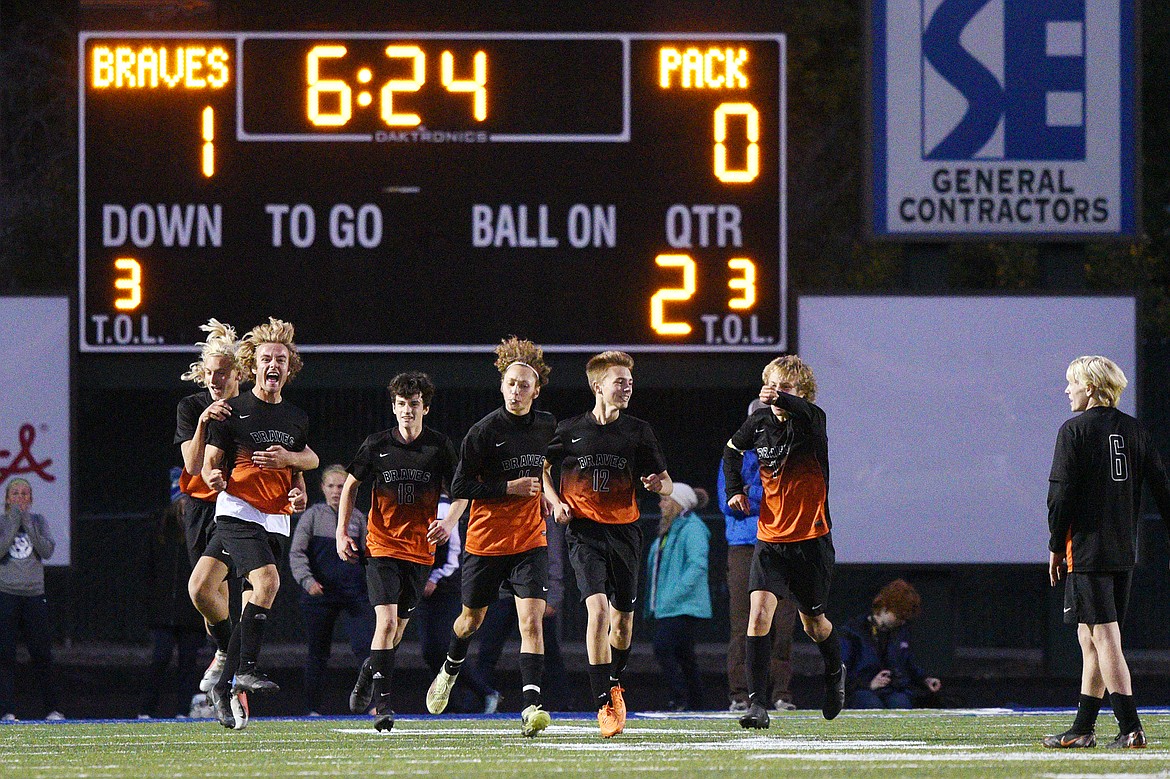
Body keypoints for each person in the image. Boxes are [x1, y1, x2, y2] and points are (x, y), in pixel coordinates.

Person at [426, 338, 557, 738]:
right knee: (469, 622)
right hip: (485, 542)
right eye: (511, 384)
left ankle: (531, 704)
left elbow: (545, 466)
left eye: (524, 385)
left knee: (530, 621)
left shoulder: (548, 426)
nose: (517, 391)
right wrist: (503, 491)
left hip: (530, 540)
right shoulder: (483, 432)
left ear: (536, 390)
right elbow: (463, 483)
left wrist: (550, 495)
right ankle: (450, 667)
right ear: (502, 386)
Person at [1043, 356, 1170, 750]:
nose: (1068, 390)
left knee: (1104, 636)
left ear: (1092, 388)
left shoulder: (1074, 430)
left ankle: (1130, 726)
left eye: (1073, 383)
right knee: (1090, 636)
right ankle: (1083, 728)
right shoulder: (1135, 430)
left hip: (1087, 550)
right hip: (1121, 551)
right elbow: (1163, 489)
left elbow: (1060, 495)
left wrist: (1054, 544)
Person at [544, 350, 672, 737]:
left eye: (630, 381)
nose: (628, 386)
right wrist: (555, 502)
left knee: (622, 626)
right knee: (596, 612)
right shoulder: (568, 431)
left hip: (625, 533)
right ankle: (602, 703)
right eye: (620, 381)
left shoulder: (638, 430)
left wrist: (657, 485)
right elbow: (543, 470)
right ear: (597, 386)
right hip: (584, 533)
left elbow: (664, 481)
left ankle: (615, 681)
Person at [202, 317, 317, 729]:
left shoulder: (295, 417)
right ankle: (244, 668)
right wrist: (213, 477)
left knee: (206, 587)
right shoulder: (233, 411)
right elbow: (209, 466)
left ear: (290, 368)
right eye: (267, 357)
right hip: (237, 511)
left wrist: (297, 482)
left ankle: (223, 681)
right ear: (254, 365)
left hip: (275, 519)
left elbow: (309, 461)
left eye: (281, 359)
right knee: (267, 583)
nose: (274, 364)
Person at [337, 372, 467, 733]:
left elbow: (462, 493)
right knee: (387, 623)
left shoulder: (440, 447)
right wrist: (341, 531)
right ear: (393, 408)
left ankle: (368, 671)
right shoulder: (376, 444)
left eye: (413, 404)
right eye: (401, 405)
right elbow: (350, 486)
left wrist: (451, 521)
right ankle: (383, 707)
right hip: (381, 547)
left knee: (394, 635)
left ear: (425, 407)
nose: (407, 410)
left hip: (420, 553)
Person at [722, 355, 845, 730]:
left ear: (803, 394)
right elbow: (731, 450)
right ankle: (756, 704)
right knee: (758, 614)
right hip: (770, 539)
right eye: (773, 385)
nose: (777, 394)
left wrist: (780, 397)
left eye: (786, 388)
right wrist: (734, 489)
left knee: (813, 623)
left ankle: (833, 670)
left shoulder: (813, 420)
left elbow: (798, 410)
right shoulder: (758, 422)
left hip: (810, 540)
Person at [718, 399, 799, 713]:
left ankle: (781, 693)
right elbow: (730, 503)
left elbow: (791, 499)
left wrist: (749, 491)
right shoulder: (734, 456)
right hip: (744, 545)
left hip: (782, 542)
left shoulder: (790, 455)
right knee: (742, 621)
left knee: (783, 621)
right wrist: (763, 493)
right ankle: (740, 694)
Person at [175, 319, 242, 696]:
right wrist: (203, 421)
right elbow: (191, 465)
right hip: (198, 508)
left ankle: (232, 661)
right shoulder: (191, 407)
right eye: (209, 373)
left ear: (237, 373)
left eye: (221, 372)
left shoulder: (248, 408)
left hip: (234, 509)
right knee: (211, 602)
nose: (214, 379)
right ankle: (228, 664)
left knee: (202, 587)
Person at [289, 464, 375, 716]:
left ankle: (372, 704)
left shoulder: (357, 518)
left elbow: (369, 556)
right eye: (331, 486)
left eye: (341, 486)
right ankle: (313, 708)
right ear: (322, 488)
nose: (337, 491)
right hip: (320, 594)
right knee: (317, 652)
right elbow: (297, 553)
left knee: (366, 649)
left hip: (353, 594)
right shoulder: (312, 516)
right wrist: (308, 582)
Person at [471, 516, 568, 712]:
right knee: (488, 650)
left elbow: (554, 554)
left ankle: (559, 704)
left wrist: (554, 594)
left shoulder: (541, 508)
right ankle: (477, 703)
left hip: (533, 587)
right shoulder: (501, 505)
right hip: (503, 590)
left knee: (547, 653)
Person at [413, 499, 499, 713]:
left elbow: (453, 554)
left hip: (445, 590)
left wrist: (434, 578)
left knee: (445, 647)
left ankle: (484, 691)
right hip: (423, 589)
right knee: (430, 650)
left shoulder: (444, 508)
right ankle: (449, 703)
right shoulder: (414, 506)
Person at [139, 477, 206, 719]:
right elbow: (147, 570)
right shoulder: (159, 530)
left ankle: (182, 711)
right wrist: (150, 603)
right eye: (183, 498)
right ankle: (146, 711)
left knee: (188, 663)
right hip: (163, 612)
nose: (186, 504)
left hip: (192, 612)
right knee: (160, 659)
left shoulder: (203, 530)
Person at [0, 478, 63, 722]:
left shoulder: (39, 521)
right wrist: (15, 521)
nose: (20, 498)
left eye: (25, 494)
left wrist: (27, 522)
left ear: (31, 499)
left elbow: (46, 550)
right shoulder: (3, 521)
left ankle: (52, 709)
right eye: (15, 493)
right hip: (6, 594)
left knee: (42, 655)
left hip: (34, 595)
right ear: (7, 498)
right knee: (5, 656)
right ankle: (7, 710)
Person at [644, 483, 711, 711]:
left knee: (663, 647)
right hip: (670, 605)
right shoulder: (671, 529)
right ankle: (696, 702)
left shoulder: (692, 528)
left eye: (665, 500)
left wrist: (674, 594)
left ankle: (679, 698)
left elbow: (697, 565)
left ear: (677, 502)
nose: (661, 504)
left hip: (683, 606)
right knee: (684, 656)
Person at [840, 579, 941, 709]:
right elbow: (840, 672)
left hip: (892, 689)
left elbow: (907, 663)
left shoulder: (899, 632)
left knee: (901, 703)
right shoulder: (852, 632)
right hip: (859, 690)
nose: (902, 622)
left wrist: (925, 679)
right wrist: (868, 684)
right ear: (885, 608)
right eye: (899, 616)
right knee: (871, 704)